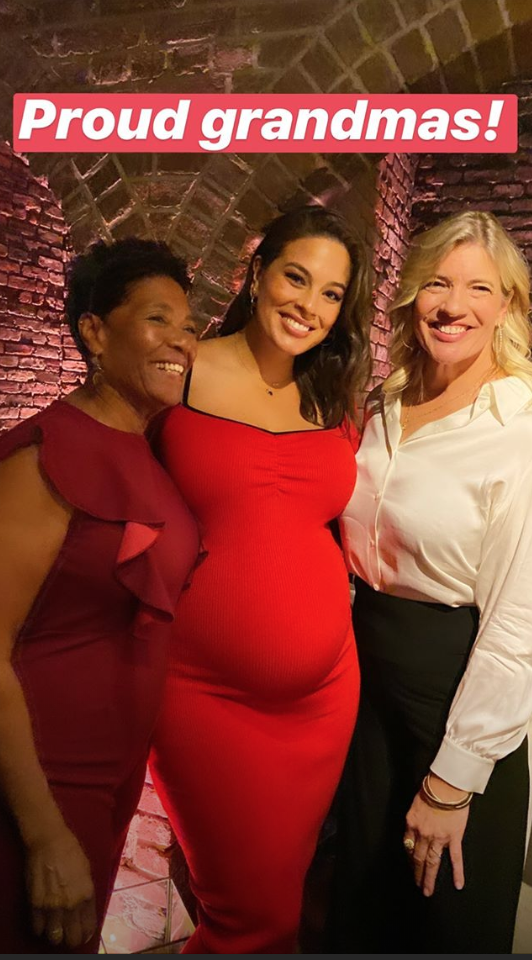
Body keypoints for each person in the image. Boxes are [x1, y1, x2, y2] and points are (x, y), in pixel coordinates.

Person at [149, 205, 371, 954]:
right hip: (202, 695)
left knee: (279, 902)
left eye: (332, 294)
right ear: (257, 273)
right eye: (296, 277)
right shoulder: (180, 372)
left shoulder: (338, 398)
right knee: (248, 918)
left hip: (324, 699)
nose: (309, 306)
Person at [327, 210, 532, 954]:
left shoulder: (520, 427)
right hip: (364, 678)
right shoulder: (386, 403)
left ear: (507, 305)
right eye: (438, 284)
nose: (454, 306)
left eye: (481, 288)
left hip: (457, 677)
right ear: (412, 295)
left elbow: (518, 623)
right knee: (362, 899)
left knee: (447, 917)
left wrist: (454, 782)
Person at [0, 238, 200, 953]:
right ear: (94, 332)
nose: (181, 341)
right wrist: (43, 830)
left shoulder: (147, 447)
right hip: (42, 774)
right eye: (157, 320)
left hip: (113, 768)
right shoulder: (45, 455)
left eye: (187, 324)